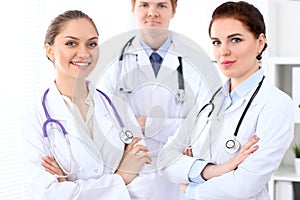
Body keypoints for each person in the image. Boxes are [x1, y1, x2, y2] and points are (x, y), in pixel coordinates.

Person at [157, 1, 295, 199]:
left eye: (235, 40)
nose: (223, 51)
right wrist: (217, 170)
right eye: (216, 42)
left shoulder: (276, 105)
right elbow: (165, 160)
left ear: (260, 42)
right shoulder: (207, 101)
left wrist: (191, 188)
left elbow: (245, 184)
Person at [21, 10, 154, 200]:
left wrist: (71, 188)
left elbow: (146, 184)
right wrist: (121, 178)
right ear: (50, 51)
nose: (84, 53)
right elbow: (47, 194)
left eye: (91, 44)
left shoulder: (118, 108)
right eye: (71, 43)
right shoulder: (33, 118)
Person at [97, 0, 219, 199]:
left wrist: (149, 124)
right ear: (132, 9)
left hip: (179, 175)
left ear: (174, 10)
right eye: (144, 5)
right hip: (130, 175)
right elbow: (104, 123)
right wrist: (176, 128)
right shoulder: (112, 62)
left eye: (161, 5)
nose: (152, 13)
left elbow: (205, 126)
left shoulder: (197, 63)